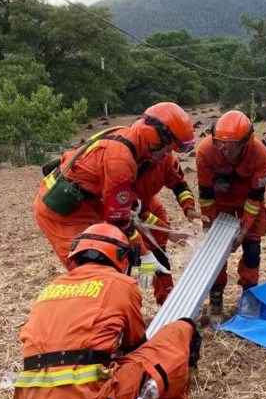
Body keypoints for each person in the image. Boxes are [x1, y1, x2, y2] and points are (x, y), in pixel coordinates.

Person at [13, 223, 201, 399]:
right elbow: (135, 347)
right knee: (183, 331)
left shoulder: (50, 289)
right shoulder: (120, 284)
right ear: (122, 257)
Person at [32, 102, 196, 276]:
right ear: (154, 139)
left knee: (122, 257)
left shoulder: (136, 146)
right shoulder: (120, 161)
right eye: (167, 149)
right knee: (92, 267)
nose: (167, 155)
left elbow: (131, 209)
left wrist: (175, 224)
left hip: (97, 204)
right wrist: (146, 255)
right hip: (64, 211)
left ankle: (140, 285)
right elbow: (120, 219)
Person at [195, 110, 266, 321]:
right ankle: (216, 297)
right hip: (221, 201)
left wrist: (244, 230)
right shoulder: (205, 151)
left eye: (231, 145)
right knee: (215, 249)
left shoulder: (260, 154)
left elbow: (256, 197)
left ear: (245, 143)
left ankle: (250, 294)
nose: (224, 150)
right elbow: (206, 194)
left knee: (252, 248)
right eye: (219, 143)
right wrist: (208, 225)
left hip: (248, 200)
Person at [133, 150, 207, 305]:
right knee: (126, 254)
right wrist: (168, 232)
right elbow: (135, 210)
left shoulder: (166, 157)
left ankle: (166, 299)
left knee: (159, 252)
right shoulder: (126, 162)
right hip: (124, 211)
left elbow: (179, 184)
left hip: (149, 204)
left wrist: (188, 207)